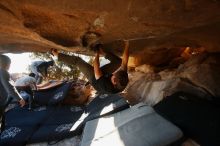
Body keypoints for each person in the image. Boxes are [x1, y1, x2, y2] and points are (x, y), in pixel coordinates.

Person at [52, 40, 129, 94]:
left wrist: (97, 54)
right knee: (118, 62)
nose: (114, 72)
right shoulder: (123, 79)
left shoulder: (106, 86)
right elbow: (124, 62)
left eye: (114, 74)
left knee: (78, 61)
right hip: (104, 76)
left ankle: (57, 55)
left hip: (94, 79)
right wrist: (127, 43)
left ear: (114, 81)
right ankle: (103, 52)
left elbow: (96, 68)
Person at [0, 54, 26, 131]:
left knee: (2, 118)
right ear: (8, 64)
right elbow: (9, 87)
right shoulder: (3, 72)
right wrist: (19, 98)